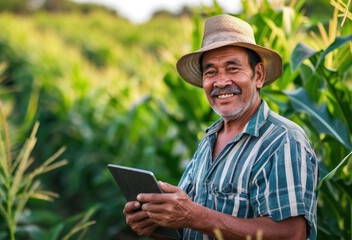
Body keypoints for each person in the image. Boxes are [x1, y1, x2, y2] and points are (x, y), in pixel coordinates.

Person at [123, 14, 319, 240]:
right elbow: (191, 223)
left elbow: (292, 234)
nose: (221, 81)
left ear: (258, 75)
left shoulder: (283, 140)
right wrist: (155, 219)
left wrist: (192, 215)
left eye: (233, 68)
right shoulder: (209, 139)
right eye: (211, 72)